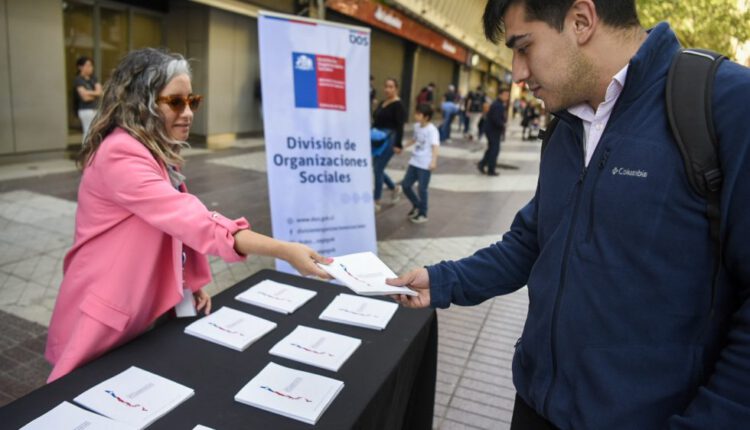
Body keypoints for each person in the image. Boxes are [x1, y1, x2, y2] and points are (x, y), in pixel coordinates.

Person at [388, 0, 750, 429]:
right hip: (534, 407)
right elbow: (532, 241)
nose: (517, 73)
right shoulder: (566, 122)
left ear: (581, 20)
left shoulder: (726, 105)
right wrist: (443, 280)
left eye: (523, 47)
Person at [45, 48, 332, 382]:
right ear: (143, 102)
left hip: (132, 310)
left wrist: (186, 284)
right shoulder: (121, 154)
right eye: (175, 102)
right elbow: (191, 219)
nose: (188, 113)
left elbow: (170, 228)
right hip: (104, 313)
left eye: (191, 101)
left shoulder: (152, 149)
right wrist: (284, 249)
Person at [400, 103, 440, 224]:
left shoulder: (432, 130)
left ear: (426, 117)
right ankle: (417, 205)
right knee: (406, 185)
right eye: (416, 113)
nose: (416, 116)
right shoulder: (417, 126)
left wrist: (433, 161)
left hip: (425, 164)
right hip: (414, 161)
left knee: (422, 189)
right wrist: (403, 146)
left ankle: (423, 213)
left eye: (419, 114)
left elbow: (435, 146)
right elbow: (415, 139)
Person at [372, 77, 406, 211]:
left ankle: (377, 201)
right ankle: (395, 188)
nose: (387, 89)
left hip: (390, 138)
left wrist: (398, 145)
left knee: (378, 168)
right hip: (378, 138)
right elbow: (376, 121)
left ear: (396, 89)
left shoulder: (399, 105)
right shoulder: (382, 102)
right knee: (376, 168)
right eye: (386, 86)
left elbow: (400, 126)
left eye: (391, 87)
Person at [478, 87, 510, 176]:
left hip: (493, 130)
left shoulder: (499, 104)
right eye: (505, 95)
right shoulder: (497, 105)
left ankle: (482, 164)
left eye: (508, 95)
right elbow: (495, 119)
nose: (507, 97)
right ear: (500, 95)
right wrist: (503, 125)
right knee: (494, 150)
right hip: (492, 130)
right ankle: (490, 170)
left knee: (491, 149)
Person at [73, 56, 102, 143]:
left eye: (91, 65)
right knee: (88, 132)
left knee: (97, 132)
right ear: (80, 67)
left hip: (96, 109)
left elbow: (100, 92)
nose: (90, 68)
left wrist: (88, 92)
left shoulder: (94, 79)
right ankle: (86, 152)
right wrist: (95, 94)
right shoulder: (78, 80)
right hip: (86, 110)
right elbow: (84, 97)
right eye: (87, 65)